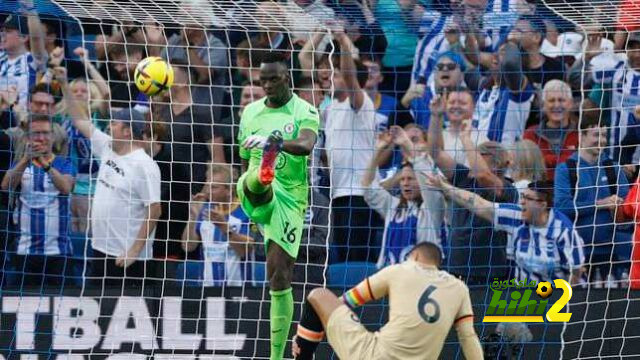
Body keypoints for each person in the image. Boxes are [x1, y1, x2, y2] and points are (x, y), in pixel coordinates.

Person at [236, 52, 318, 360]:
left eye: (273, 79)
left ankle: (275, 357)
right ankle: (262, 176)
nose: (267, 85)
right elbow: (241, 158)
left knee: (280, 276)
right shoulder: (250, 113)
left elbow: (306, 144)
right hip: (254, 187)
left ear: (287, 77)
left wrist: (277, 144)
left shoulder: (304, 109)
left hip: (292, 199)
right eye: (262, 81)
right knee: (253, 180)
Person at [59, 67, 162, 288]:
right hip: (101, 249)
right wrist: (63, 83)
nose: (109, 126)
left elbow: (155, 210)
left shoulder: (144, 165)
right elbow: (79, 120)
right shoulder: (107, 146)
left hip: (128, 258)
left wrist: (134, 250)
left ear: (127, 131)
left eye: (114, 124)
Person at [291, 242, 483, 360]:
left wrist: (306, 334)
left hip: (375, 356)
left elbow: (344, 302)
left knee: (319, 296)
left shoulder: (399, 270)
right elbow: (468, 338)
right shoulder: (459, 288)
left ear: (413, 256)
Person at [427, 175, 585, 284]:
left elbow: (576, 274)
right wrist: (444, 187)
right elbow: (480, 205)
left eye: (528, 199)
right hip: (523, 296)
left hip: (555, 297)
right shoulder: (517, 217)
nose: (521, 202)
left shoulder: (564, 232)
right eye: (522, 197)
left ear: (543, 205)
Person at [324, 27, 381, 263]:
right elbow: (304, 62)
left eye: (335, 74)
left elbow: (349, 75)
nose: (330, 78)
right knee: (345, 260)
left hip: (359, 195)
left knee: (357, 263)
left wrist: (343, 42)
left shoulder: (360, 103)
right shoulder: (330, 109)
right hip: (338, 195)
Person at [554, 115, 631, 286]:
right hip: (577, 254)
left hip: (612, 255)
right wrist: (600, 203)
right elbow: (561, 208)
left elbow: (628, 209)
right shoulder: (566, 169)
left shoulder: (614, 168)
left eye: (604, 135)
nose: (601, 140)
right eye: (596, 135)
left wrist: (619, 209)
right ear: (581, 136)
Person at [0, 114, 75, 288]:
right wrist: (26, 159)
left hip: (58, 251)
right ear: (28, 137)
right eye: (36, 133)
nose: (41, 138)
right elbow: (6, 185)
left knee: (60, 307)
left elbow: (66, 187)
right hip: (26, 250)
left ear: (53, 136)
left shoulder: (64, 163)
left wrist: (45, 163)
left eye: (45, 133)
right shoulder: (20, 164)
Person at [362, 127, 444, 267]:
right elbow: (367, 187)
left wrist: (406, 143)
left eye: (411, 179)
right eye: (402, 179)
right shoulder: (393, 206)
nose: (406, 183)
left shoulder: (432, 208)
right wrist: (378, 150)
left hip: (422, 278)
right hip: (390, 277)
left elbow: (428, 182)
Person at [182, 164, 255, 286]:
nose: (208, 191)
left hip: (240, 291)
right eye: (208, 186)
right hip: (207, 290)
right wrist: (192, 217)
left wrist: (224, 227)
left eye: (214, 187)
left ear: (229, 190)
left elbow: (245, 251)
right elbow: (188, 247)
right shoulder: (204, 210)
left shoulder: (246, 211)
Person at [471, 42, 535, 148]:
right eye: (496, 52)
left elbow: (510, 64)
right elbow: (470, 55)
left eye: (504, 53)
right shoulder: (485, 87)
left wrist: (512, 40)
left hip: (502, 158)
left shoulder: (518, 90)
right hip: (475, 156)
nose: (495, 55)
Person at [523, 80, 579, 181]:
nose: (556, 105)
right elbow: (527, 167)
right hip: (538, 192)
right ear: (544, 105)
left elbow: (582, 164)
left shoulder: (580, 134)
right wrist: (566, 159)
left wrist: (546, 159)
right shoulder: (530, 134)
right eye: (551, 101)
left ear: (570, 104)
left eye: (561, 100)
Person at [0, 11, 48, 110]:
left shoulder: (32, 60)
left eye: (8, 31)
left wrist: (31, 11)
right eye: (2, 30)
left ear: (24, 37)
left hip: (22, 119)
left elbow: (36, 39)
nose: (2, 35)